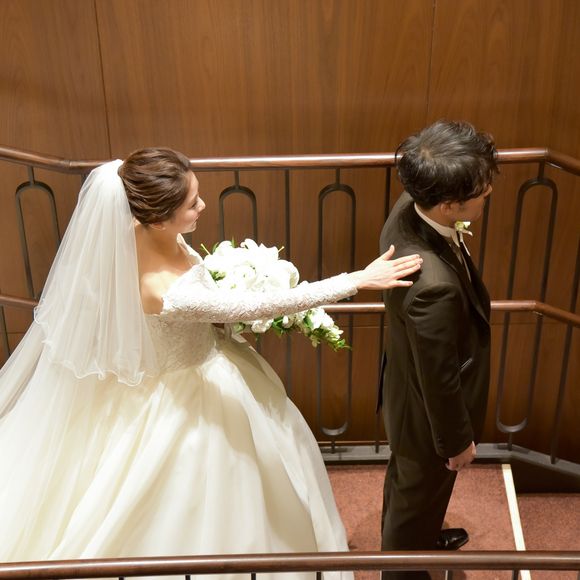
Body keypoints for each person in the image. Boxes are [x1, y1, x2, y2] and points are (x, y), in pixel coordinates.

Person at [0, 147, 422, 579]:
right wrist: (356, 280)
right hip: (188, 392)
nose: (202, 205)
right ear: (159, 219)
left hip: (208, 357)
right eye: (192, 204)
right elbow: (261, 306)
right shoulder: (164, 289)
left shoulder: (138, 228)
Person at [378, 121, 498, 579]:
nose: (488, 192)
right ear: (449, 206)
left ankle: (420, 539)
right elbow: (440, 376)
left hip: (405, 385)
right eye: (481, 191)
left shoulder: (410, 203)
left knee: (412, 489)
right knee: (417, 492)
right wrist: (456, 442)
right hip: (426, 415)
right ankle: (402, 569)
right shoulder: (434, 287)